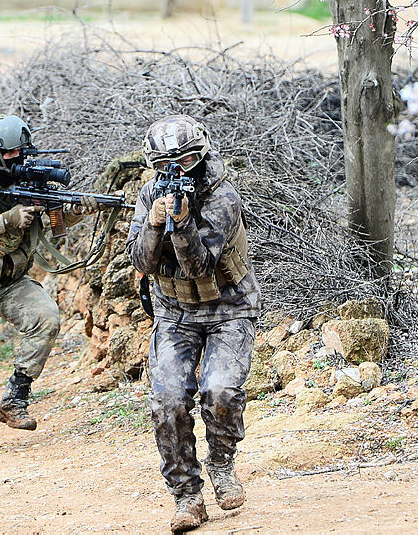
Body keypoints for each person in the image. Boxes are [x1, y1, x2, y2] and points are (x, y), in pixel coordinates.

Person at [126, 115, 262, 532]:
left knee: (220, 390)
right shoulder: (150, 195)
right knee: (167, 400)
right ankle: (186, 495)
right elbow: (141, 263)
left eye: (185, 160)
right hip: (175, 312)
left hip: (229, 308)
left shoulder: (223, 196)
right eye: (166, 163)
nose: (176, 171)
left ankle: (221, 464)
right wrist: (152, 223)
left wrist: (182, 223)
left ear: (200, 155)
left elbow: (199, 264)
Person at [0, 113, 97, 457]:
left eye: (20, 152)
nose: (17, 159)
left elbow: (58, 226)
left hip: (10, 279)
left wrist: (75, 211)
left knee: (46, 318)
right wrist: (7, 219)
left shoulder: (27, 176)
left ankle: (15, 397)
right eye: (9, 153)